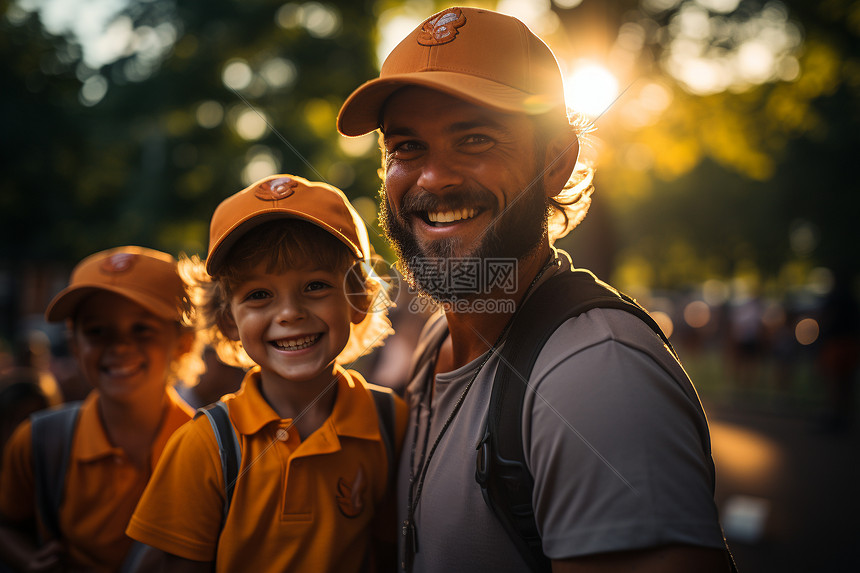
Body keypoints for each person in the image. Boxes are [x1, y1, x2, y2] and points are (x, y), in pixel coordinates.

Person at [337, 6, 733, 572]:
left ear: (554, 160)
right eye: (406, 147)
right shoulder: (434, 349)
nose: (432, 177)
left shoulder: (599, 377)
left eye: (473, 138)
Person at [126, 174, 408, 572]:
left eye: (315, 285)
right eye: (259, 295)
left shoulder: (391, 422)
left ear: (358, 299)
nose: (290, 313)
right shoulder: (205, 446)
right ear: (227, 320)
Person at [0, 246, 203, 572]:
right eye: (96, 331)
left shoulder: (208, 447)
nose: (120, 346)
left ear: (184, 341)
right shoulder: (41, 441)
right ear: (75, 344)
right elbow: (7, 524)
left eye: (142, 329)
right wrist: (28, 559)